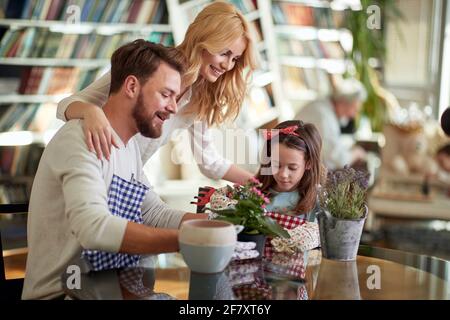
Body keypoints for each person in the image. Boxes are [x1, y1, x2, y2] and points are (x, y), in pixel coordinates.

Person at [22, 40, 206, 300]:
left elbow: (153, 210)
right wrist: (186, 241)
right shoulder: (79, 139)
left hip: (108, 291)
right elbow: (93, 227)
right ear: (132, 86)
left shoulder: (127, 147)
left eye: (176, 98)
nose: (174, 108)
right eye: (166, 95)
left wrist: (215, 226)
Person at [56, 1, 257, 184]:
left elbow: (209, 161)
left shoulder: (200, 96)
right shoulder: (146, 64)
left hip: (125, 179)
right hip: (88, 167)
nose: (227, 65)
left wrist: (261, 185)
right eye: (224, 53)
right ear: (204, 40)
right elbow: (64, 106)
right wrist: (92, 112)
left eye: (235, 59)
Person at [295, 78, 367, 170]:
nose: (353, 115)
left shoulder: (324, 107)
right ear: (344, 102)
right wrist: (356, 153)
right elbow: (338, 159)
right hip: (300, 168)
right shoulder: (324, 116)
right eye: (355, 109)